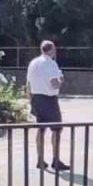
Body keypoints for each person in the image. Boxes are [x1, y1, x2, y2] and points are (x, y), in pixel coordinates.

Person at [27, 40, 69, 172]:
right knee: (57, 129)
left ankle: (40, 159)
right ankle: (56, 160)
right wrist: (61, 80)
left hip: (36, 98)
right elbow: (54, 84)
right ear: (51, 50)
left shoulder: (33, 63)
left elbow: (28, 83)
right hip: (49, 99)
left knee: (41, 129)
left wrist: (30, 99)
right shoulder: (50, 63)